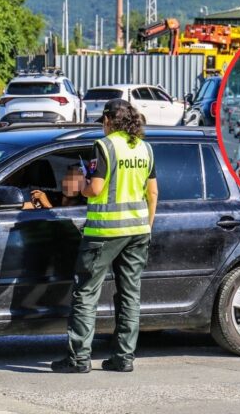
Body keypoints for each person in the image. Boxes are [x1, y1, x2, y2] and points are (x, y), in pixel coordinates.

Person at [51, 98, 158, 373]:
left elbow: (96, 189)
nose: (102, 125)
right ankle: (124, 358)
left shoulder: (105, 146)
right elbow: (153, 192)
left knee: (86, 293)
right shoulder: (145, 148)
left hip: (105, 232)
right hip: (137, 231)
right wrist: (147, 225)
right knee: (129, 295)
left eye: (102, 121)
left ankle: (78, 360)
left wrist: (80, 186)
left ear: (109, 120)